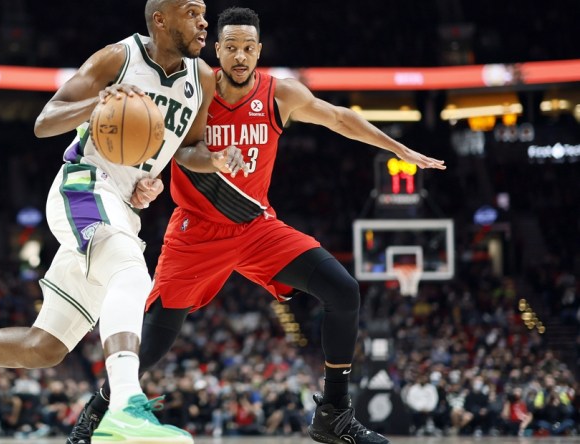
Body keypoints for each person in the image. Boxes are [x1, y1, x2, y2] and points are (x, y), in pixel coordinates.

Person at [67, 6, 446, 444]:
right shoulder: (197, 90)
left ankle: (334, 415)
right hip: (197, 231)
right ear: (218, 50)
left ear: (259, 50)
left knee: (343, 291)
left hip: (256, 226)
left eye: (248, 48)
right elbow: (178, 150)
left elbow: (340, 118)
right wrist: (188, 165)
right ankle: (92, 421)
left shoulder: (280, 94)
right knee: (151, 344)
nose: (240, 56)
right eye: (231, 48)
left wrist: (400, 149)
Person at [0, 1, 246, 443]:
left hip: (123, 206)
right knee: (131, 272)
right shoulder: (118, 58)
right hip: (83, 185)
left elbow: (187, 148)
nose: (204, 22)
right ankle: (125, 408)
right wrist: (98, 103)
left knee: (46, 347)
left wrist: (210, 160)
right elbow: (44, 122)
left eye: (204, 12)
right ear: (161, 18)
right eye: (192, 12)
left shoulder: (202, 79)